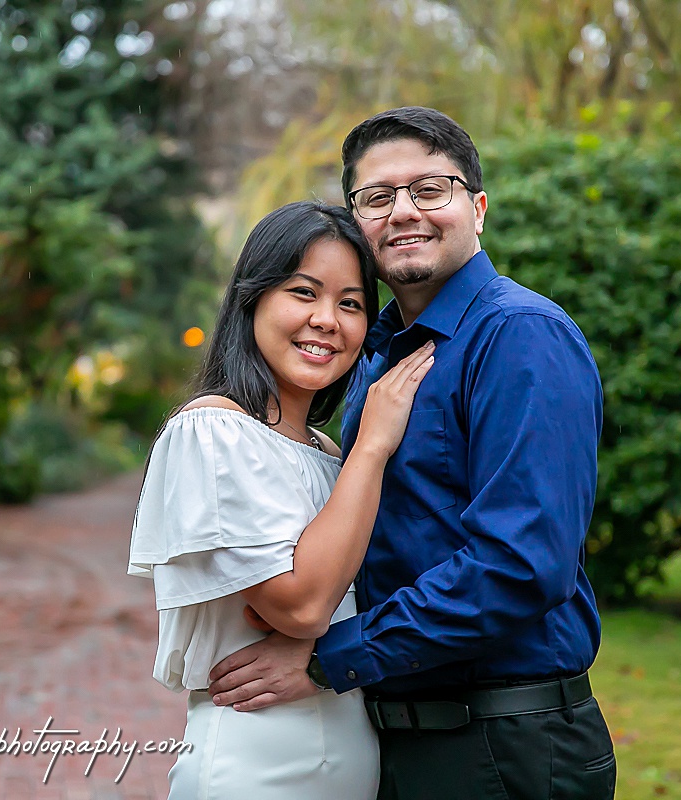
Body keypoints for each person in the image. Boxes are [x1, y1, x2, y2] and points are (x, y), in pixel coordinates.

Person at [208, 107, 617, 799]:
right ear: (357, 222)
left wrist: (330, 656)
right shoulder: (376, 355)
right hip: (398, 739)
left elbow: (520, 565)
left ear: (477, 209)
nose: (403, 211)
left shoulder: (520, 335)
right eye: (377, 197)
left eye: (430, 189)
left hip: (503, 745)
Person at [128, 200, 435, 799]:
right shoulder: (213, 430)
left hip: (349, 761)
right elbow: (301, 608)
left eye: (351, 303)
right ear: (253, 299)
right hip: (254, 764)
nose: (327, 320)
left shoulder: (326, 453)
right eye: (304, 292)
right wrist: (373, 445)